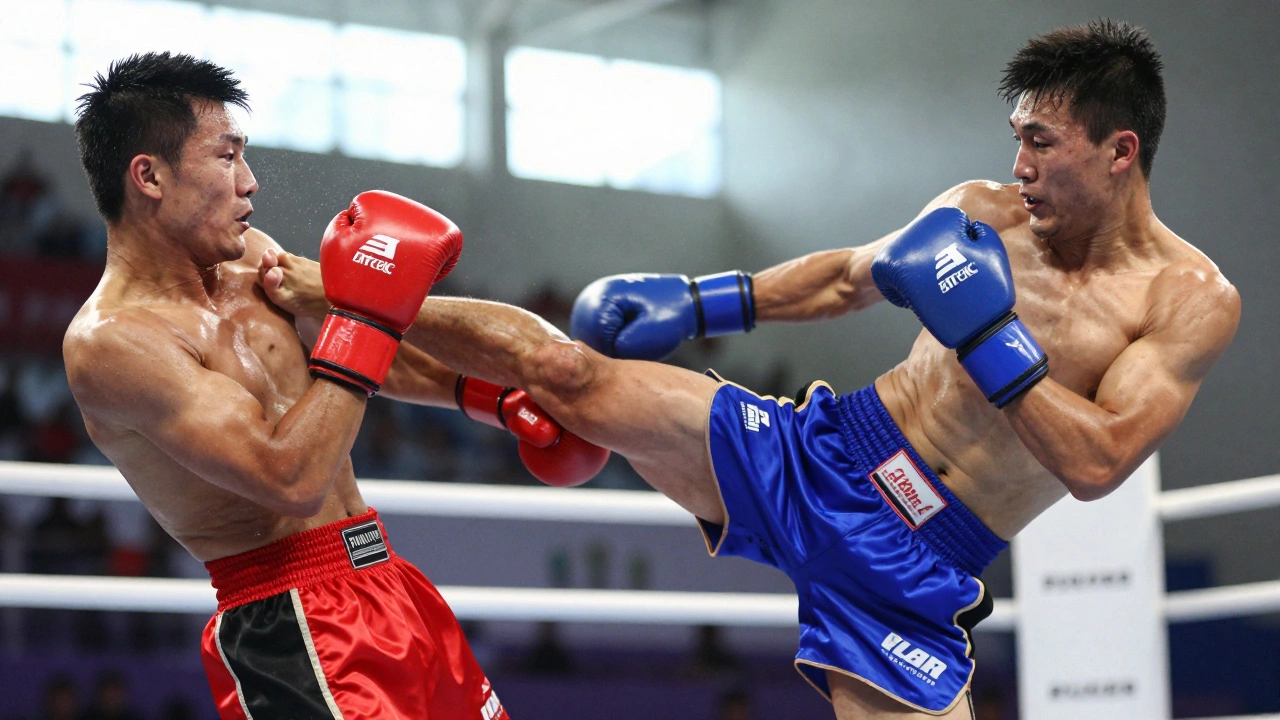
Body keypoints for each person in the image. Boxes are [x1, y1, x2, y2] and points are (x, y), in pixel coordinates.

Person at [260, 20, 1239, 720]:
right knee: (563, 367)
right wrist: (699, 302)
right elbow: (843, 282)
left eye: (1040, 142)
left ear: (1118, 152)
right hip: (818, 453)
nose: (1016, 164)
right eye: (1015, 136)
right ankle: (333, 289)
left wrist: (991, 345)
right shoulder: (984, 211)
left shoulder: (1185, 301)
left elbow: (1099, 462)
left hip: (915, 564)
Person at [60, 51, 611, 719]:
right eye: (227, 156)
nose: (250, 182)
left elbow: (363, 354)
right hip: (290, 622)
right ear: (148, 175)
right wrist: (367, 313)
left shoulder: (251, 256)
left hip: (387, 580)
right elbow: (287, 476)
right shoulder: (111, 344)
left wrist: (493, 400)